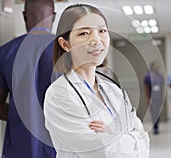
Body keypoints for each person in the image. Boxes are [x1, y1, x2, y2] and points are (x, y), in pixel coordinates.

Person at [44, 4, 149, 158]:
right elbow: (100, 152)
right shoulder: (59, 95)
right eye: (84, 33)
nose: (96, 40)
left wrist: (113, 136)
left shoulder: (114, 90)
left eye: (102, 31)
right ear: (65, 44)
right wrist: (125, 135)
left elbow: (144, 141)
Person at [0, 0, 56, 157]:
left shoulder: (5, 52)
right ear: (54, 17)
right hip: (58, 149)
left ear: (25, 16)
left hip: (19, 148)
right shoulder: (68, 52)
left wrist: (24, 115)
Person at [143, 61, 164, 135]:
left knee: (157, 113)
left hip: (158, 97)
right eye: (155, 66)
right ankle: (155, 127)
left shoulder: (160, 76)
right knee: (153, 113)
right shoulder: (148, 76)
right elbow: (146, 87)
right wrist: (148, 98)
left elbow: (161, 87)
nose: (157, 67)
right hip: (151, 97)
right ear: (152, 67)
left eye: (157, 66)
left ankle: (156, 126)